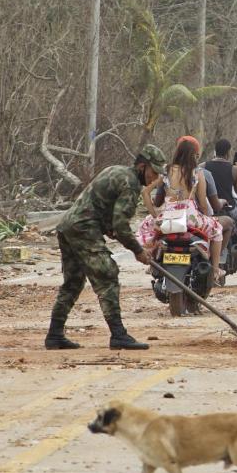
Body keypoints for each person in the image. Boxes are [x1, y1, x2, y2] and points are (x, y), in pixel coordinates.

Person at [46, 145, 165, 351]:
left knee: (73, 283)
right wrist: (137, 250)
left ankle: (54, 335)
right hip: (83, 229)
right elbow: (120, 225)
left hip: (68, 227)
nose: (154, 178)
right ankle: (118, 335)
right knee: (107, 276)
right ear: (142, 166)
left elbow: (107, 217)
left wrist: (128, 242)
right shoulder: (131, 184)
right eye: (153, 172)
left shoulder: (116, 171)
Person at [139, 136, 226, 282]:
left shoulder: (166, 170)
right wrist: (208, 217)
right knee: (217, 230)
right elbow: (203, 203)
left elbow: (145, 192)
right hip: (190, 218)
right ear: (193, 155)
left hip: (167, 217)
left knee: (148, 229)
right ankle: (216, 269)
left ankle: (152, 264)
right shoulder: (197, 173)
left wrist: (154, 214)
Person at [205, 139, 237, 250]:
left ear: (215, 151)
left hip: (208, 208)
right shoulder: (234, 169)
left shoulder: (203, 166)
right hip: (229, 209)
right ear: (228, 153)